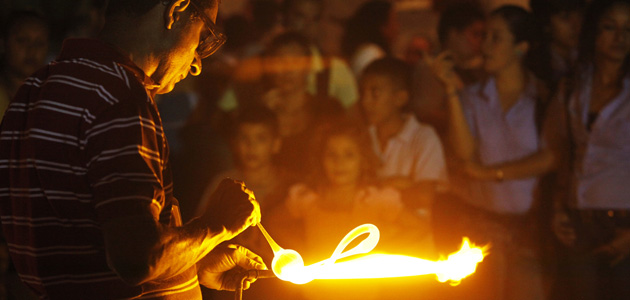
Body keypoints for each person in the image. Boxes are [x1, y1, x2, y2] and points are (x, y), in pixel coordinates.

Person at [0, 0, 267, 299]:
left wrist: (194, 260)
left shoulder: (33, 90)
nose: (196, 64)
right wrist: (218, 223)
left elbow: (89, 249)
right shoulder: (119, 96)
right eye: (203, 36)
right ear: (175, 11)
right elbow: (138, 259)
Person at [434, 5, 555, 300]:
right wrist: (450, 90)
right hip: (479, 227)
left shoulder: (543, 98)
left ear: (521, 48)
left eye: (496, 38)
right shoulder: (473, 97)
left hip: (528, 230)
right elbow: (466, 157)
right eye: (483, 36)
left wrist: (493, 173)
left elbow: (553, 156)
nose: (484, 45)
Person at [284, 119, 429, 300]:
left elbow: (419, 227)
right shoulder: (307, 198)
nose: (339, 162)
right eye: (332, 155)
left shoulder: (375, 199)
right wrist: (299, 250)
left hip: (364, 294)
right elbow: (274, 223)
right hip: (315, 293)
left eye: (349, 155)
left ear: (364, 159)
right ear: (320, 158)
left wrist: (384, 250)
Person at [549, 0, 630, 299]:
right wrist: (558, 206)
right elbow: (565, 153)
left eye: (628, 29)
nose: (620, 37)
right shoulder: (573, 88)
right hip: (579, 222)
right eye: (610, 27)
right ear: (593, 32)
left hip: (624, 223)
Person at [360, 57, 448, 217]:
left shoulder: (423, 138)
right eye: (363, 93)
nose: (365, 101)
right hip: (370, 237)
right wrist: (400, 185)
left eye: (375, 93)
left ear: (400, 98)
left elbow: (423, 197)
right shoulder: (361, 136)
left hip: (412, 238)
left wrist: (373, 189)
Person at [260, 31, 344, 176]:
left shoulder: (328, 110)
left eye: (296, 62)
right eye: (281, 61)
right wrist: (263, 116)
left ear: (308, 65)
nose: (288, 70)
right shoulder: (261, 113)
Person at [411, 2, 485, 139]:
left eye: (482, 35)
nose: (480, 41)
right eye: (475, 34)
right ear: (453, 34)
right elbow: (425, 114)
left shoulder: (469, 69)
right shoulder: (431, 68)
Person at [282, 0, 359, 110]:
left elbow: (354, 121)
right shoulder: (265, 64)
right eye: (300, 17)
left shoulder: (336, 70)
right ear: (287, 18)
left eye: (315, 19)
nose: (307, 25)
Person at [0, 10, 49, 119]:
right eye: (22, 41)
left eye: (39, 43)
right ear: (3, 43)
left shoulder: (55, 98)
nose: (32, 51)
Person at [529, 0, 585, 91]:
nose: (577, 25)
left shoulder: (590, 59)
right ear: (546, 24)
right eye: (565, 17)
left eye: (580, 15)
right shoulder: (535, 68)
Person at [341, 0, 399, 77]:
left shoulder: (371, 53)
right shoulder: (371, 55)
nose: (397, 27)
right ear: (382, 27)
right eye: (394, 21)